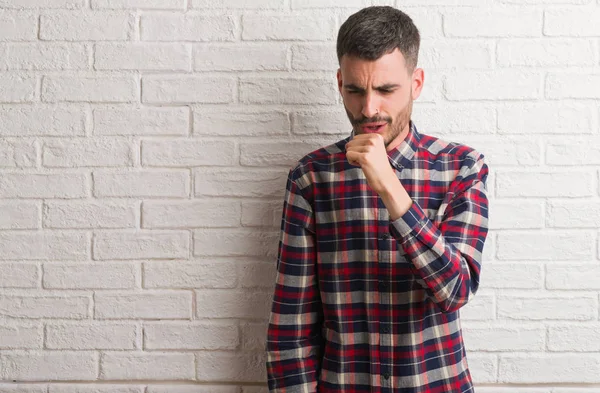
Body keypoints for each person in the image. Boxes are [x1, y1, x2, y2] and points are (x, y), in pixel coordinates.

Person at [265, 5, 489, 393]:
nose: (368, 108)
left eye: (386, 90)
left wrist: (390, 187)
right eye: (355, 89)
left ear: (416, 83)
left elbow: (455, 290)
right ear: (339, 83)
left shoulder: (462, 168)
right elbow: (292, 328)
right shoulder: (311, 178)